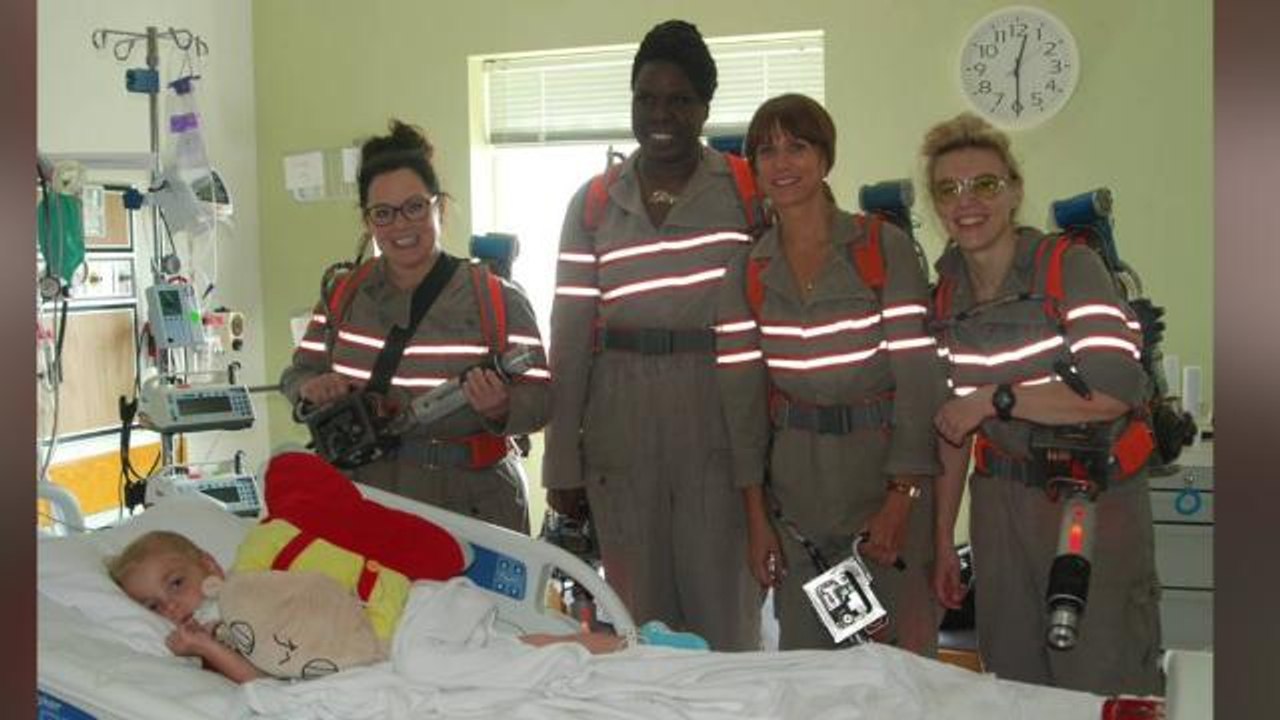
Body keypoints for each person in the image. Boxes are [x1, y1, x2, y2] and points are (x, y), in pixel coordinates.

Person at [922, 112, 1162, 695]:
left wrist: (996, 400)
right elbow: (953, 429)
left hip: (1088, 502)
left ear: (1013, 191)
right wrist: (940, 545)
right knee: (1011, 684)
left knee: (1101, 680)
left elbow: (1112, 390)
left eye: (984, 184)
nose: (967, 201)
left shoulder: (1069, 266)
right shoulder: (946, 292)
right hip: (998, 505)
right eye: (948, 189)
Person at [541, 19, 761, 651]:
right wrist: (563, 460)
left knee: (726, 618)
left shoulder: (746, 193)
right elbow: (571, 337)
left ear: (704, 108)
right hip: (621, 426)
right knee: (639, 624)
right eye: (646, 98)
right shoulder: (593, 202)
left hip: (717, 416)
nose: (661, 114)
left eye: (679, 100)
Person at [714, 94, 943, 654]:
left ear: (825, 157)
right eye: (766, 151)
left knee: (898, 666)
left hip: (883, 484)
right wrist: (757, 518)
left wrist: (901, 496)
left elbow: (919, 382)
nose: (782, 163)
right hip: (799, 502)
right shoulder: (747, 270)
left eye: (797, 147)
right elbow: (741, 404)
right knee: (811, 670)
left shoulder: (881, 248)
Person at [282, 120, 549, 534]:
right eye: (383, 214)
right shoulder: (343, 294)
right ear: (368, 221)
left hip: (471, 507)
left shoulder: (496, 298)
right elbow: (298, 372)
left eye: (414, 207)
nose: (401, 226)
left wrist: (501, 408)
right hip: (363, 498)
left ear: (439, 206)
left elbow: (542, 398)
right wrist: (309, 389)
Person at [107, 530, 627, 684]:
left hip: (411, 610)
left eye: (176, 583)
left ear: (206, 562)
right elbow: (260, 679)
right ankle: (614, 648)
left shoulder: (253, 582)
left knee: (426, 663)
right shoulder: (217, 638)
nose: (173, 605)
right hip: (397, 632)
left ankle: (578, 653)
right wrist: (202, 646)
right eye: (154, 606)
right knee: (482, 656)